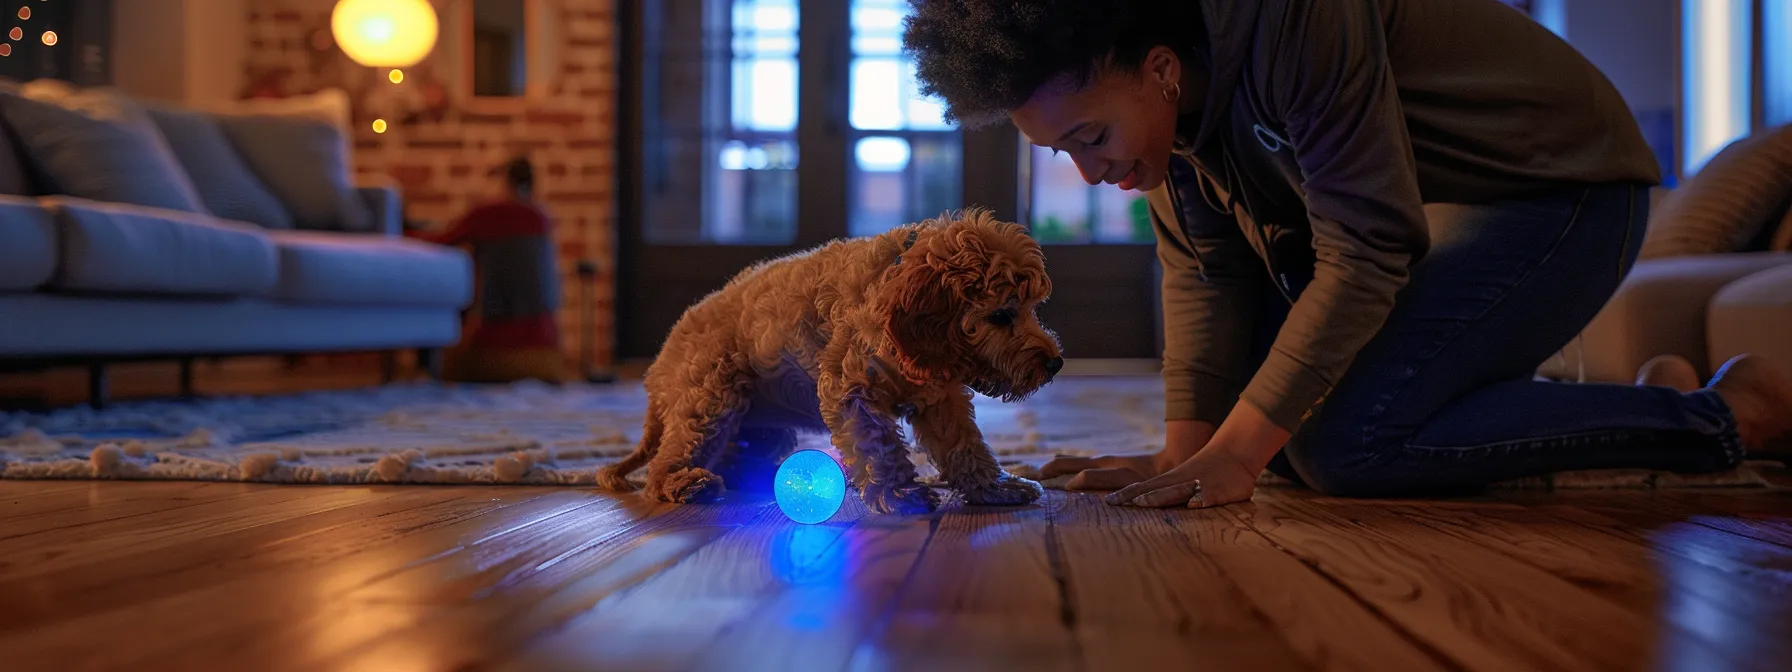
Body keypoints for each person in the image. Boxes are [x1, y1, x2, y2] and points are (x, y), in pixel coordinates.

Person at [901, 0, 1792, 508]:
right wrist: (1189, 450)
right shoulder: (1172, 129)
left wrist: (1241, 452)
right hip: (1451, 212)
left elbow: (1367, 245)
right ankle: (1636, 407)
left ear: (1162, 68)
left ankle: (1722, 418)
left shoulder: (1294, 19)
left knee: (1342, 445)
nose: (1093, 173)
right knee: (1279, 428)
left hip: (1567, 190)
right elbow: (1207, 274)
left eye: (1092, 137)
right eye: (1066, 154)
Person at [419, 156, 567, 384]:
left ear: (505, 181)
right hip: (546, 357)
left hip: (492, 354)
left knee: (449, 363)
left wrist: (400, 235)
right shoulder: (541, 217)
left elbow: (441, 241)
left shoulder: (485, 214)